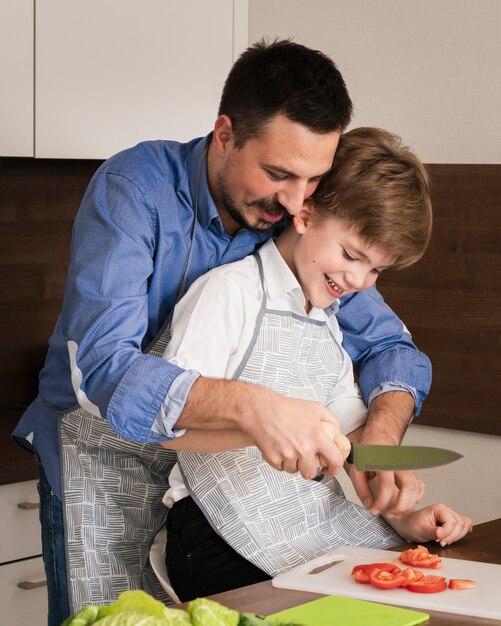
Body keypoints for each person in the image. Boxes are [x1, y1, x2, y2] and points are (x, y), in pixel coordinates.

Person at [12, 39, 430, 623]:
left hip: (205, 476)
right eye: (278, 174)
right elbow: (105, 368)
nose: (292, 201)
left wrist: (379, 440)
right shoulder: (135, 190)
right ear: (225, 134)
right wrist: (255, 407)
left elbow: (389, 347)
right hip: (102, 456)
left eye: (311, 182)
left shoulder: (292, 215)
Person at [160, 127, 471, 601]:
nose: (359, 280)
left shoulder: (329, 321)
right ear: (304, 212)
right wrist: (263, 426)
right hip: (213, 530)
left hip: (312, 526)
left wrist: (400, 514)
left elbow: (349, 446)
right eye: (350, 255)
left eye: (375, 270)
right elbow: (166, 421)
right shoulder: (229, 292)